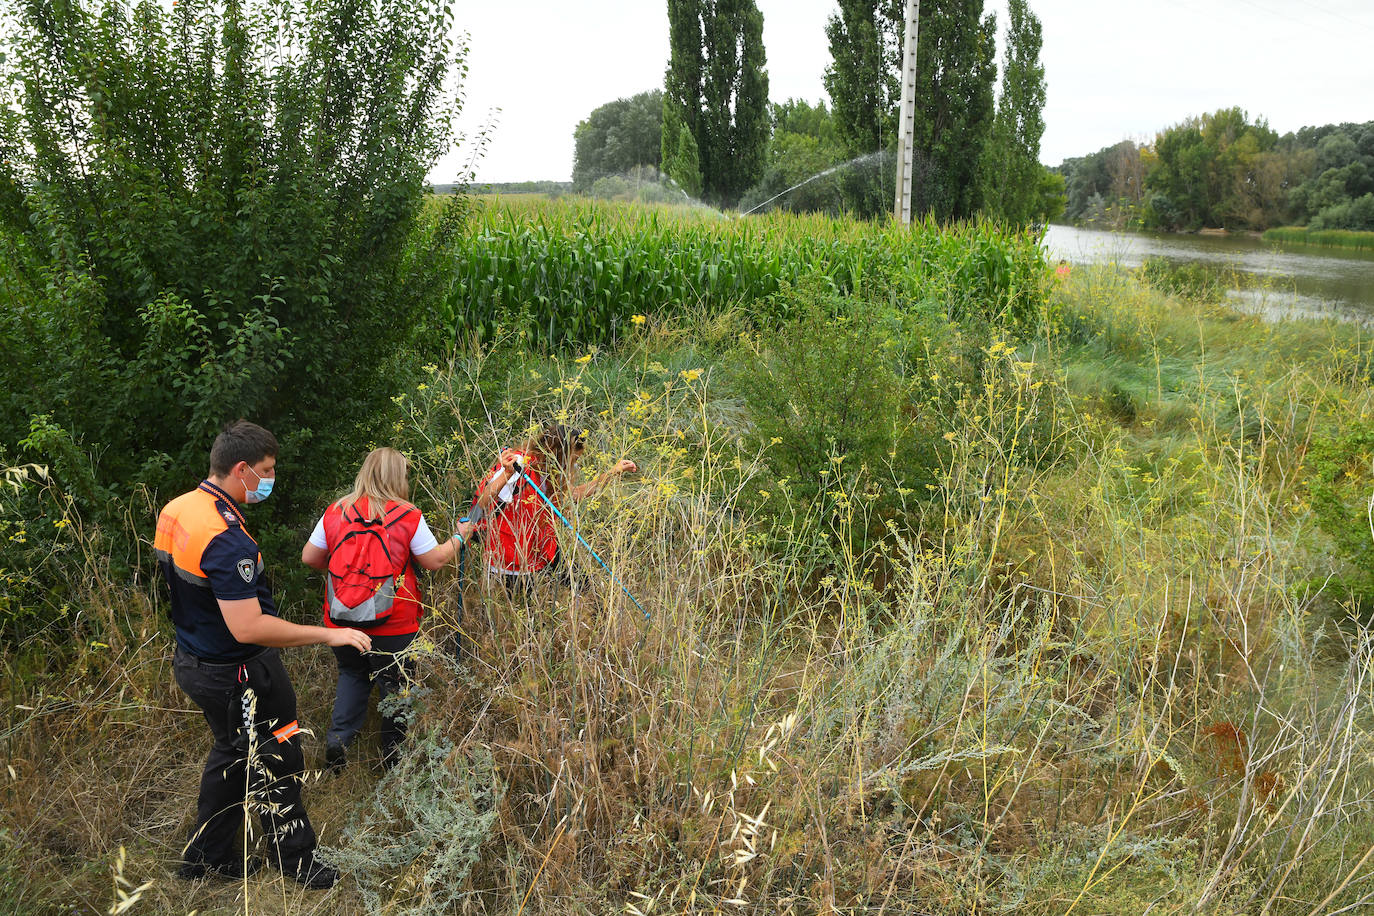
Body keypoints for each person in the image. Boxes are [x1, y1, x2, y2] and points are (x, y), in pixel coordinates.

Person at [154, 420, 368, 889]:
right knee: (278, 756)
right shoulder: (226, 537)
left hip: (194, 659)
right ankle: (298, 862)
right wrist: (327, 635)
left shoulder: (179, 508)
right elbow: (248, 624)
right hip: (241, 671)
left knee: (232, 755)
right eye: (267, 470)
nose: (271, 479)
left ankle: (204, 859)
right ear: (242, 468)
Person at [300, 447, 505, 771]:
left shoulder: (336, 510)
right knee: (395, 689)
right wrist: (460, 536)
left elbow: (309, 557)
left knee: (352, 675)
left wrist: (350, 578)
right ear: (398, 477)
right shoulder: (407, 515)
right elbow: (434, 560)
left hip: (341, 620)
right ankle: (392, 763)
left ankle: (337, 745)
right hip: (393, 624)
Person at [474, 422, 636, 592]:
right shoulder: (519, 463)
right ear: (558, 452)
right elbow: (484, 501)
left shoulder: (550, 471)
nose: (573, 465)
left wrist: (613, 472)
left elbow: (573, 494)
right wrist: (507, 473)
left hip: (542, 546)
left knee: (583, 585)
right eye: (573, 459)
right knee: (524, 608)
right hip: (510, 555)